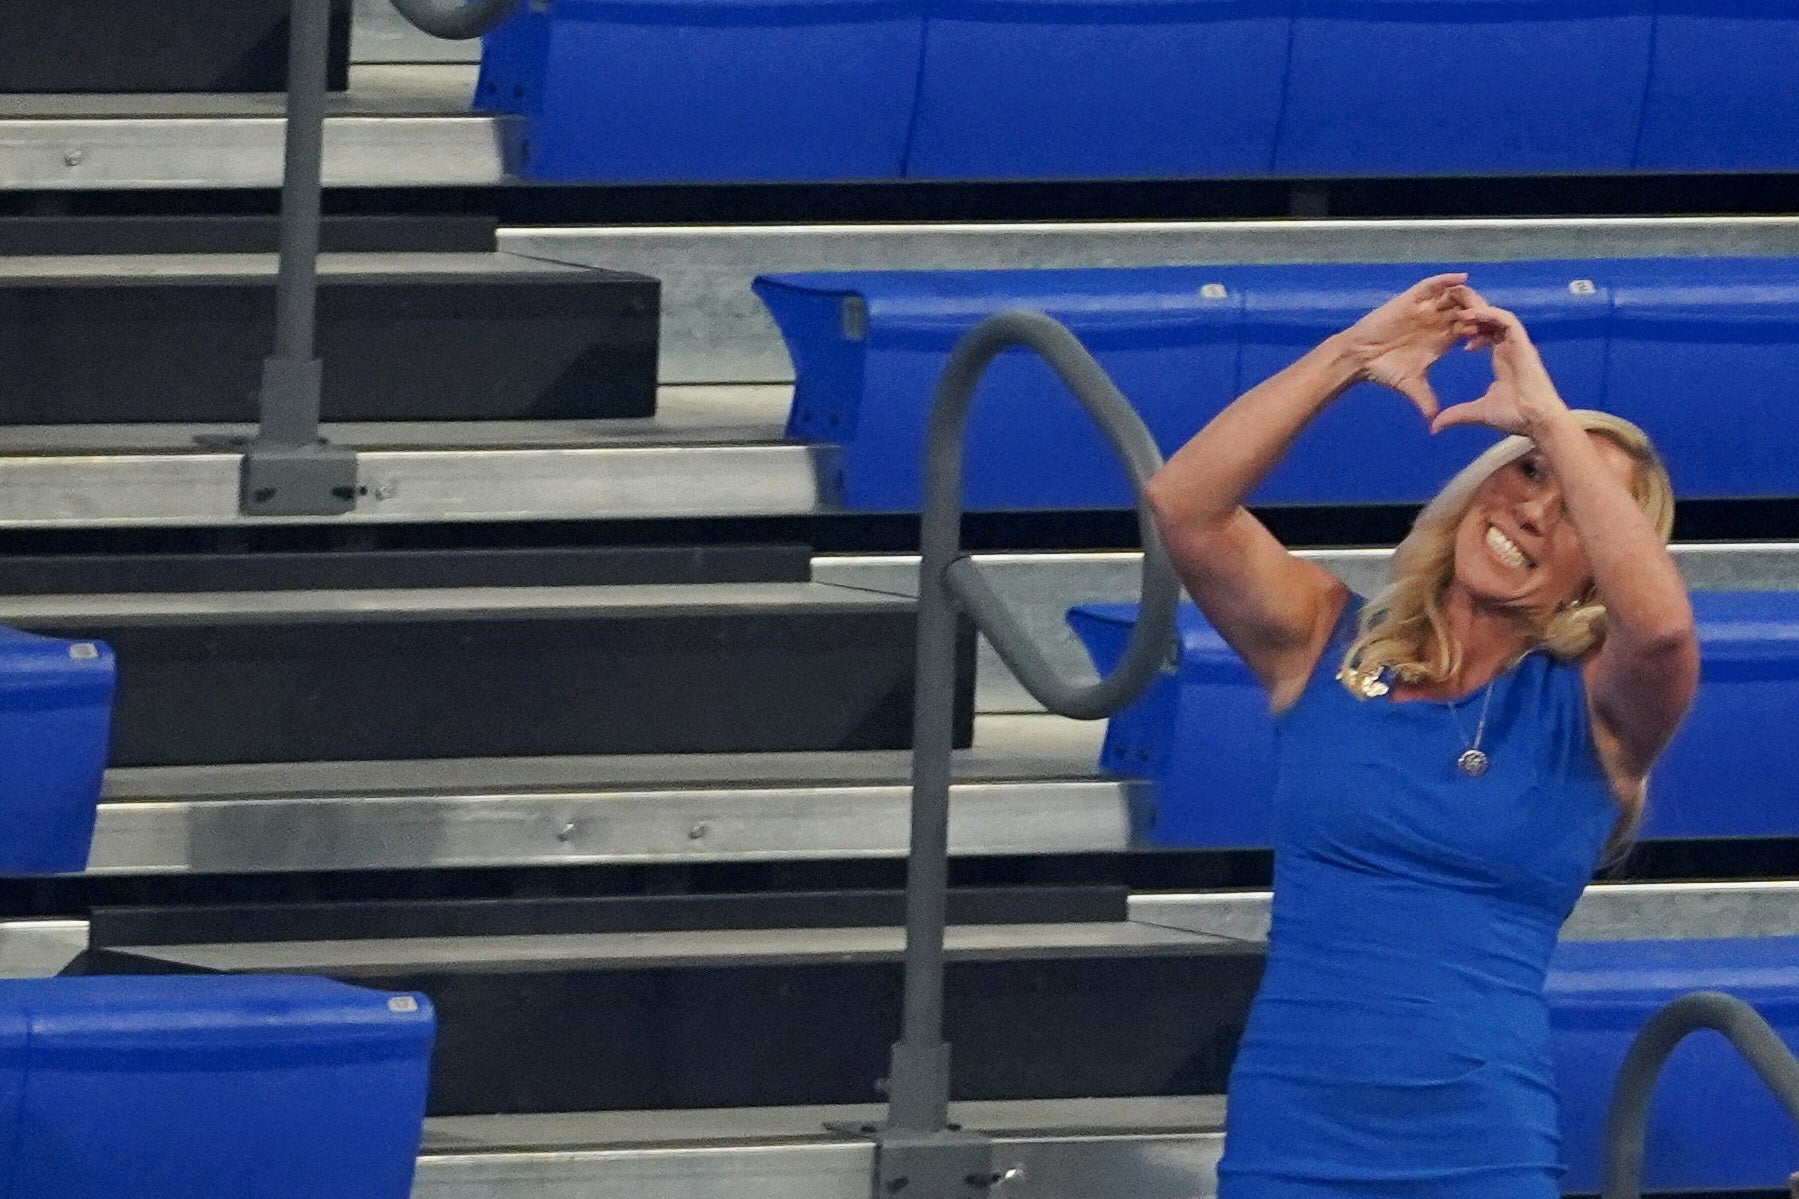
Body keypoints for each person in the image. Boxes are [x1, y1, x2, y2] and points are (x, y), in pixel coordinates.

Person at [1141, 274, 1699, 1197]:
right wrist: (1352, 354)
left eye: (1577, 508)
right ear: (1479, 483)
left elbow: (1666, 631)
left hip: (1478, 1149)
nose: (1532, 509)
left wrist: (1549, 420)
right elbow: (1183, 505)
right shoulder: (1324, 636)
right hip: (1291, 1137)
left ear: (1594, 573)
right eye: (1526, 472)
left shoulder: (1601, 713)